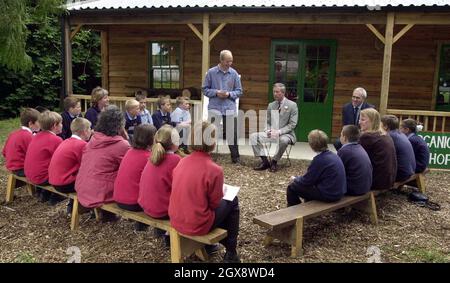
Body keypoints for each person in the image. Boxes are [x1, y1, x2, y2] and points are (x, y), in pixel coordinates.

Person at [169, 121, 241, 263]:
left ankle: (218, 247)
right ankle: (231, 251)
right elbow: (214, 204)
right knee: (233, 201)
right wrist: (221, 192)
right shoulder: (214, 169)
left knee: (226, 206)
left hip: (176, 219)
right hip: (196, 224)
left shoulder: (181, 161)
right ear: (213, 142)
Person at [75, 105, 130, 211]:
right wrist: (125, 138)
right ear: (120, 125)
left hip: (82, 187)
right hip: (100, 192)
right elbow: (130, 167)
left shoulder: (93, 138)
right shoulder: (121, 144)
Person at [202, 50, 243, 164]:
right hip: (215, 107)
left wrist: (229, 94)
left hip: (229, 108)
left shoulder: (234, 74)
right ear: (221, 60)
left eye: (231, 61)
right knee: (210, 133)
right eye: (227, 61)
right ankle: (206, 156)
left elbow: (239, 91)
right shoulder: (211, 73)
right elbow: (204, 89)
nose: (229, 63)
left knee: (232, 133)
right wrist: (216, 93)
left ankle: (235, 158)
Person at [286, 130, 346, 206]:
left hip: (330, 195)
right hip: (338, 192)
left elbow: (306, 181)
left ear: (311, 145)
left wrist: (295, 179)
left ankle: (296, 212)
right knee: (311, 186)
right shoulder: (333, 155)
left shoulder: (319, 160)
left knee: (292, 187)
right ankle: (307, 207)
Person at [114, 124, 156, 231]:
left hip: (119, 198)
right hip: (133, 202)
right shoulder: (148, 157)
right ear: (151, 139)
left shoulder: (129, 152)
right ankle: (158, 231)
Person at [250, 83, 298, 172]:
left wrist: (279, 132)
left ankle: (274, 161)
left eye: (277, 92)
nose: (274, 94)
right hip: (272, 134)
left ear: (283, 93)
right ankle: (265, 162)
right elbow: (267, 122)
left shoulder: (292, 105)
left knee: (283, 140)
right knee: (253, 137)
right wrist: (267, 130)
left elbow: (292, 124)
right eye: (274, 92)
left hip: (286, 134)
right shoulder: (271, 105)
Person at [48, 118, 92, 213]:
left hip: (54, 180)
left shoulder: (66, 141)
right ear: (84, 131)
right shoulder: (82, 145)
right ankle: (88, 208)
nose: (91, 131)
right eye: (89, 129)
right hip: (65, 184)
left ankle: (72, 206)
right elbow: (87, 167)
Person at [138, 125, 181, 220]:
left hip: (146, 206)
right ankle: (166, 233)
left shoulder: (152, 156)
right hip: (163, 210)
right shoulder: (175, 159)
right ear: (174, 143)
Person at [24, 111, 63, 204]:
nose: (62, 125)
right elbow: (62, 161)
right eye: (61, 123)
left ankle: (44, 194)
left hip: (29, 173)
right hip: (42, 177)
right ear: (55, 125)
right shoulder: (56, 139)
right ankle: (55, 197)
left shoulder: (37, 135)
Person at [359, 108, 397, 190]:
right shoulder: (384, 134)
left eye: (363, 120)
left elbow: (359, 160)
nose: (359, 122)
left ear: (372, 121)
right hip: (390, 179)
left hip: (378, 181)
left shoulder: (368, 137)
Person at [2, 108, 40, 177]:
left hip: (12, 166)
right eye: (39, 122)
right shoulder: (28, 136)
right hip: (21, 169)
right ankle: (39, 188)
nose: (40, 124)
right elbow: (36, 156)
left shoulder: (13, 133)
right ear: (31, 123)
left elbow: (4, 152)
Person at [337, 125, 372, 196]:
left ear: (344, 138)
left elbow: (336, 171)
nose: (340, 137)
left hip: (354, 189)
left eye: (340, 135)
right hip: (366, 187)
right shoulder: (360, 147)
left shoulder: (344, 151)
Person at [381, 115, 416, 182]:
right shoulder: (400, 134)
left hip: (401, 175)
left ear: (385, 126)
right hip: (410, 170)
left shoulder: (389, 136)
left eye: (380, 124)